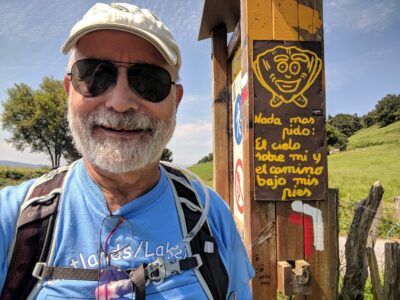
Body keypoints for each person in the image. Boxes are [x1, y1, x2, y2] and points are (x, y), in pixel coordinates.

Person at [0, 2, 254, 299]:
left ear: (176, 100)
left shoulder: (211, 217)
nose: (121, 102)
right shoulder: (14, 221)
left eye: (149, 81)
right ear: (69, 90)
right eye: (95, 75)